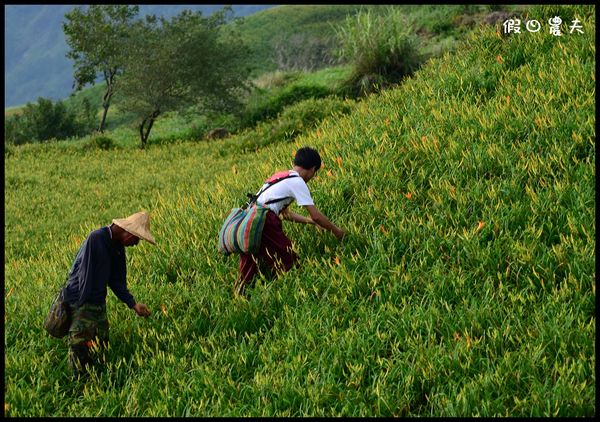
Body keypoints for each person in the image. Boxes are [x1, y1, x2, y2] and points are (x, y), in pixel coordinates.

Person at [234, 147, 345, 295]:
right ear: (312, 169)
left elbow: (285, 214)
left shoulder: (280, 176)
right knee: (288, 257)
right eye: (314, 173)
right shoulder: (298, 182)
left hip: (250, 218)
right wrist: (337, 231)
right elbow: (316, 215)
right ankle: (298, 291)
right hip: (266, 220)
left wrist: (311, 223)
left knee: (250, 261)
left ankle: (239, 295)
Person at [63, 211, 156, 376]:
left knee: (101, 346)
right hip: (81, 301)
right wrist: (80, 313)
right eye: (137, 239)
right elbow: (82, 275)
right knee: (80, 348)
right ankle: (77, 386)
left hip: (97, 303)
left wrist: (133, 304)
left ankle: (96, 381)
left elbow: (116, 281)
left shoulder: (118, 247)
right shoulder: (96, 238)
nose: (136, 244)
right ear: (128, 233)